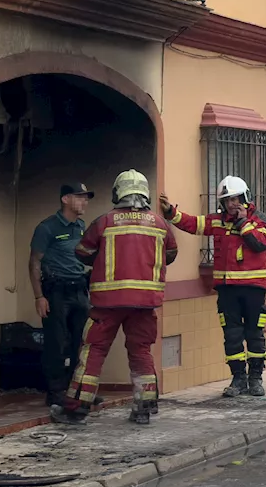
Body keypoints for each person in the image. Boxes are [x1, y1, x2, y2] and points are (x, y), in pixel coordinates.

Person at [51, 169, 177, 426]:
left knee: (93, 351)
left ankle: (76, 410)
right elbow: (171, 254)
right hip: (145, 303)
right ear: (144, 193)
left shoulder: (104, 222)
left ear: (117, 193)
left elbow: (83, 252)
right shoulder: (160, 224)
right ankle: (144, 407)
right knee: (141, 351)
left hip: (106, 304)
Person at [160, 176, 266, 397]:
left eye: (235, 199)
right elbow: (193, 223)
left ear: (245, 197)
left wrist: (242, 223)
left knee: (255, 334)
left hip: (253, 289)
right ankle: (238, 379)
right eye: (227, 200)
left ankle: (256, 379)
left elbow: (260, 243)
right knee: (231, 335)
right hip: (227, 290)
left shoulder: (260, 220)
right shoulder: (218, 221)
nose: (232, 203)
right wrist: (171, 213)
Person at [28, 183, 99, 407]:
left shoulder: (80, 225)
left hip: (78, 289)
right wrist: (39, 296)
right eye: (81, 198)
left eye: (86, 198)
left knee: (82, 341)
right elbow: (34, 262)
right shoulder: (47, 228)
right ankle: (56, 392)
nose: (85, 202)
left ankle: (76, 390)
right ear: (66, 199)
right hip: (56, 291)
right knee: (56, 343)